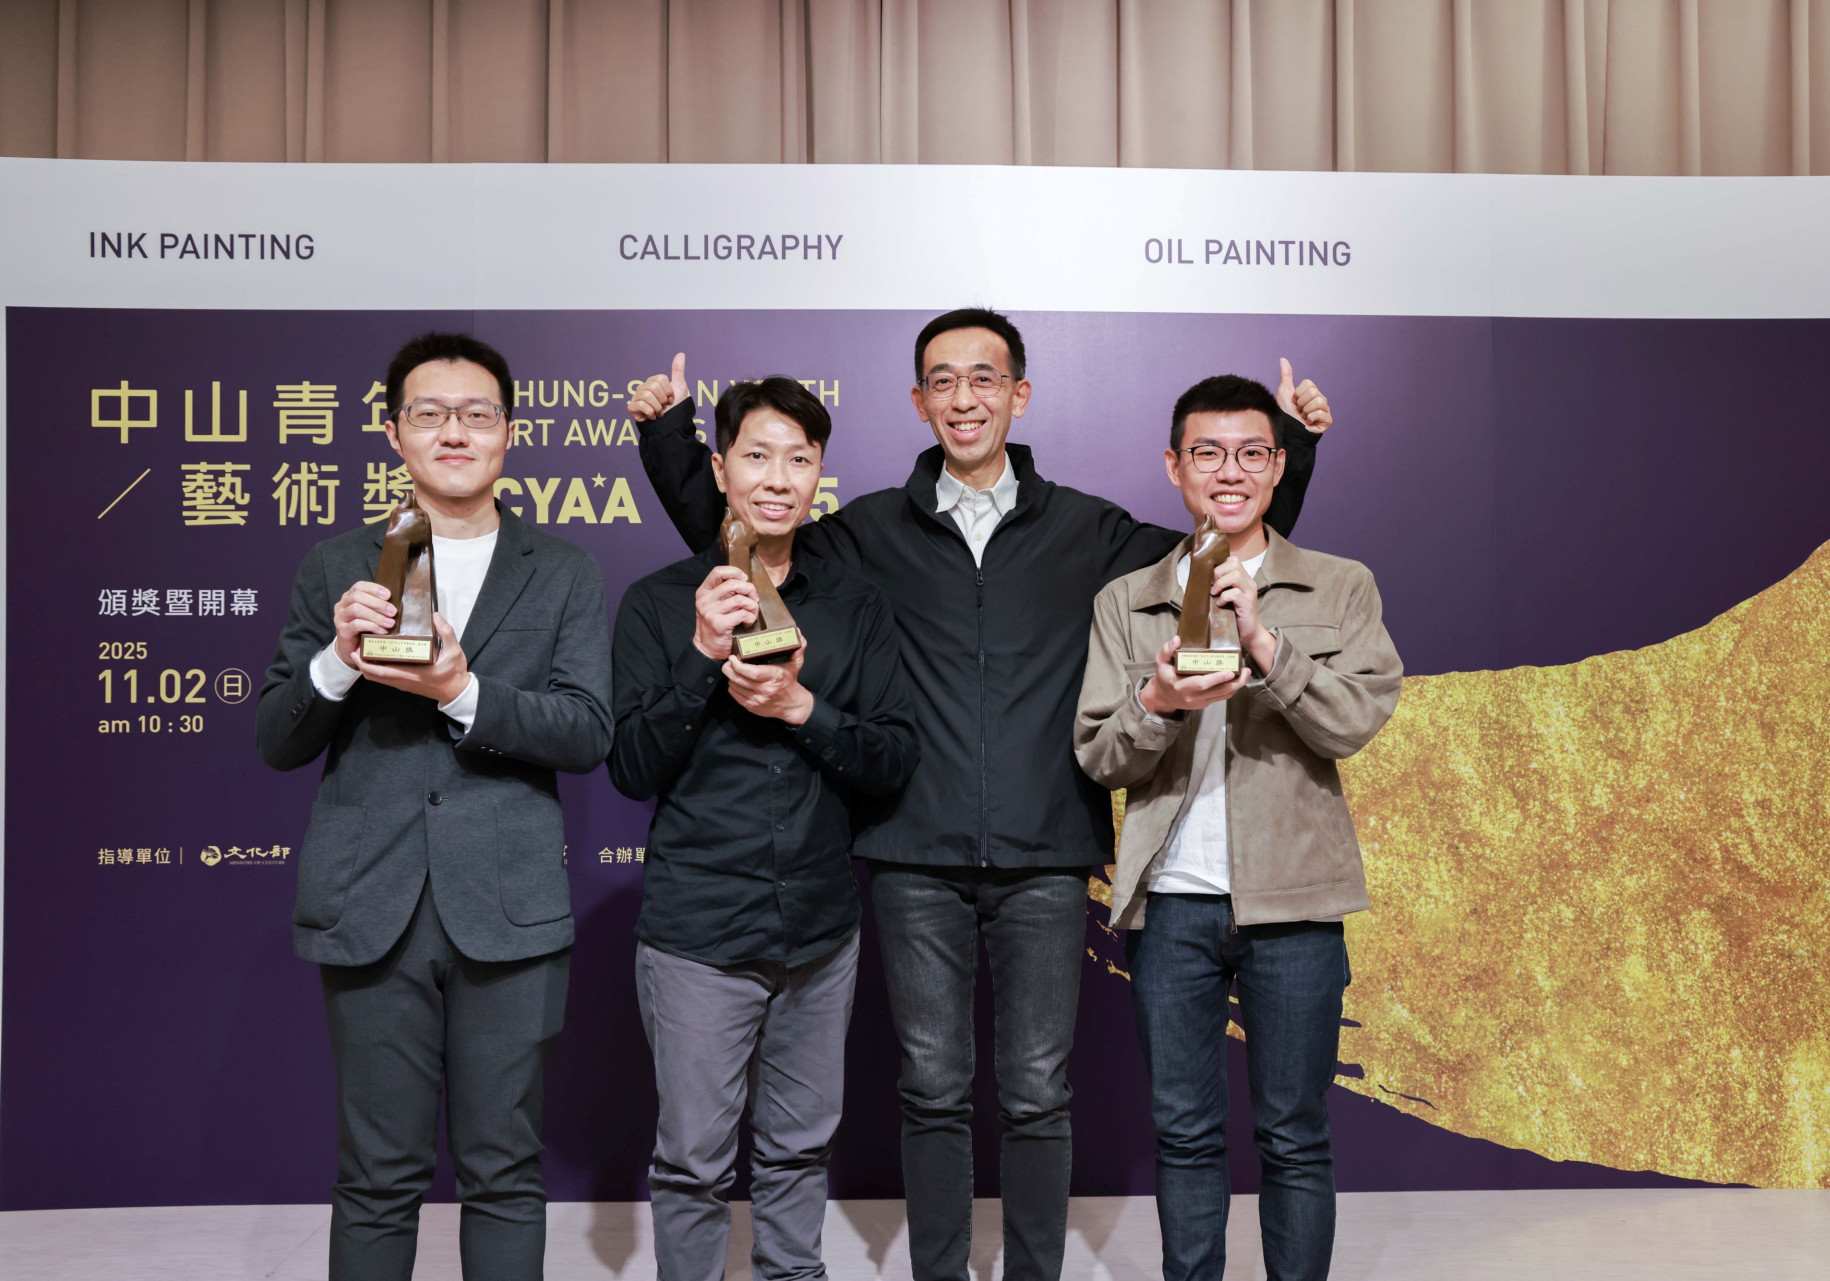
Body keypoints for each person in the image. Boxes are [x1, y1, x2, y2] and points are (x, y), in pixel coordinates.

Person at [625, 310, 1332, 1281]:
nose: (965, 398)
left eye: (985, 378)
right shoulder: (867, 532)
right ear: (920, 401)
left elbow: (1220, 551)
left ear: (1019, 394)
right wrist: (670, 440)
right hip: (913, 850)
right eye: (944, 381)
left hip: (1048, 848)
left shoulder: (1088, 529)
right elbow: (747, 538)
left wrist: (1292, 448)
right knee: (931, 1087)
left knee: (1038, 1090)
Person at [257, 332, 613, 1281]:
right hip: (369, 907)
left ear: (509, 431)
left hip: (509, 909)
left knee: (505, 1172)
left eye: (476, 413)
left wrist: (462, 691)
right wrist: (336, 662)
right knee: (377, 1177)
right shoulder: (337, 564)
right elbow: (277, 738)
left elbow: (587, 731)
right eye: (430, 412)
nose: (454, 431)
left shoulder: (564, 568)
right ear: (393, 432)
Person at [1073, 374, 1400, 1281]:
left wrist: (1268, 647)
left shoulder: (1338, 584)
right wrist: (1157, 701)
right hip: (1172, 907)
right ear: (1174, 466)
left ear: (1278, 466)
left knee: (1294, 1134)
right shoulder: (1128, 599)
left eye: (1251, 452)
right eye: (1208, 452)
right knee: (1184, 1134)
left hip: (1295, 907)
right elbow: (1100, 753)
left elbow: (1353, 723)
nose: (1230, 471)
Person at [606, 376, 917, 1281]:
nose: (778, 478)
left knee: (798, 1151)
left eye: (799, 459)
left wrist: (801, 708)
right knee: (693, 1163)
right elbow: (630, 767)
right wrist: (703, 655)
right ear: (719, 469)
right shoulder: (658, 602)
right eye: (757, 456)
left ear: (819, 473)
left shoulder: (854, 604)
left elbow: (894, 755)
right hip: (698, 936)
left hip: (821, 933)